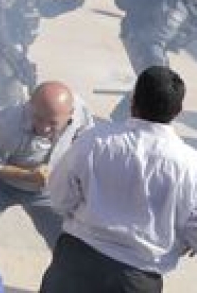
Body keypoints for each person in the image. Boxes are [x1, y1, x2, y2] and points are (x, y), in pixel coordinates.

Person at [41, 66, 197, 293]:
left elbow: (58, 197)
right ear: (178, 111)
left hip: (75, 263)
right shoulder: (191, 164)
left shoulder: (94, 140)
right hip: (137, 279)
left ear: (133, 100)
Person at [0, 81, 92, 251]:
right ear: (30, 106)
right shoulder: (7, 122)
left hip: (47, 190)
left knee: (68, 244)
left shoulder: (80, 111)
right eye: (38, 118)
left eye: (53, 123)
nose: (44, 128)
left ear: (71, 115)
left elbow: (86, 142)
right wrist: (27, 175)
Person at [111, 0, 197, 118]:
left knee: (155, 81)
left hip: (171, 37)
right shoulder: (171, 2)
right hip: (143, 40)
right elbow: (152, 42)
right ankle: (123, 116)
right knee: (157, 84)